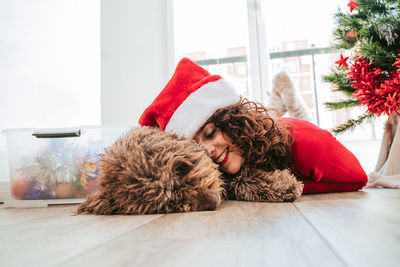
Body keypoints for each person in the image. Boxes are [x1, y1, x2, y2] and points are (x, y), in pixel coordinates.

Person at [139, 58, 368, 194]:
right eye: (196, 148)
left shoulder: (307, 143)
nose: (207, 151)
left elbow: (359, 179)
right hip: (264, 127)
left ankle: (285, 93)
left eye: (210, 133)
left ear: (233, 121)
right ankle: (277, 101)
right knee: (270, 114)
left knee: (295, 113)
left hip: (292, 128)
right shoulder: (225, 166)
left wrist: (294, 187)